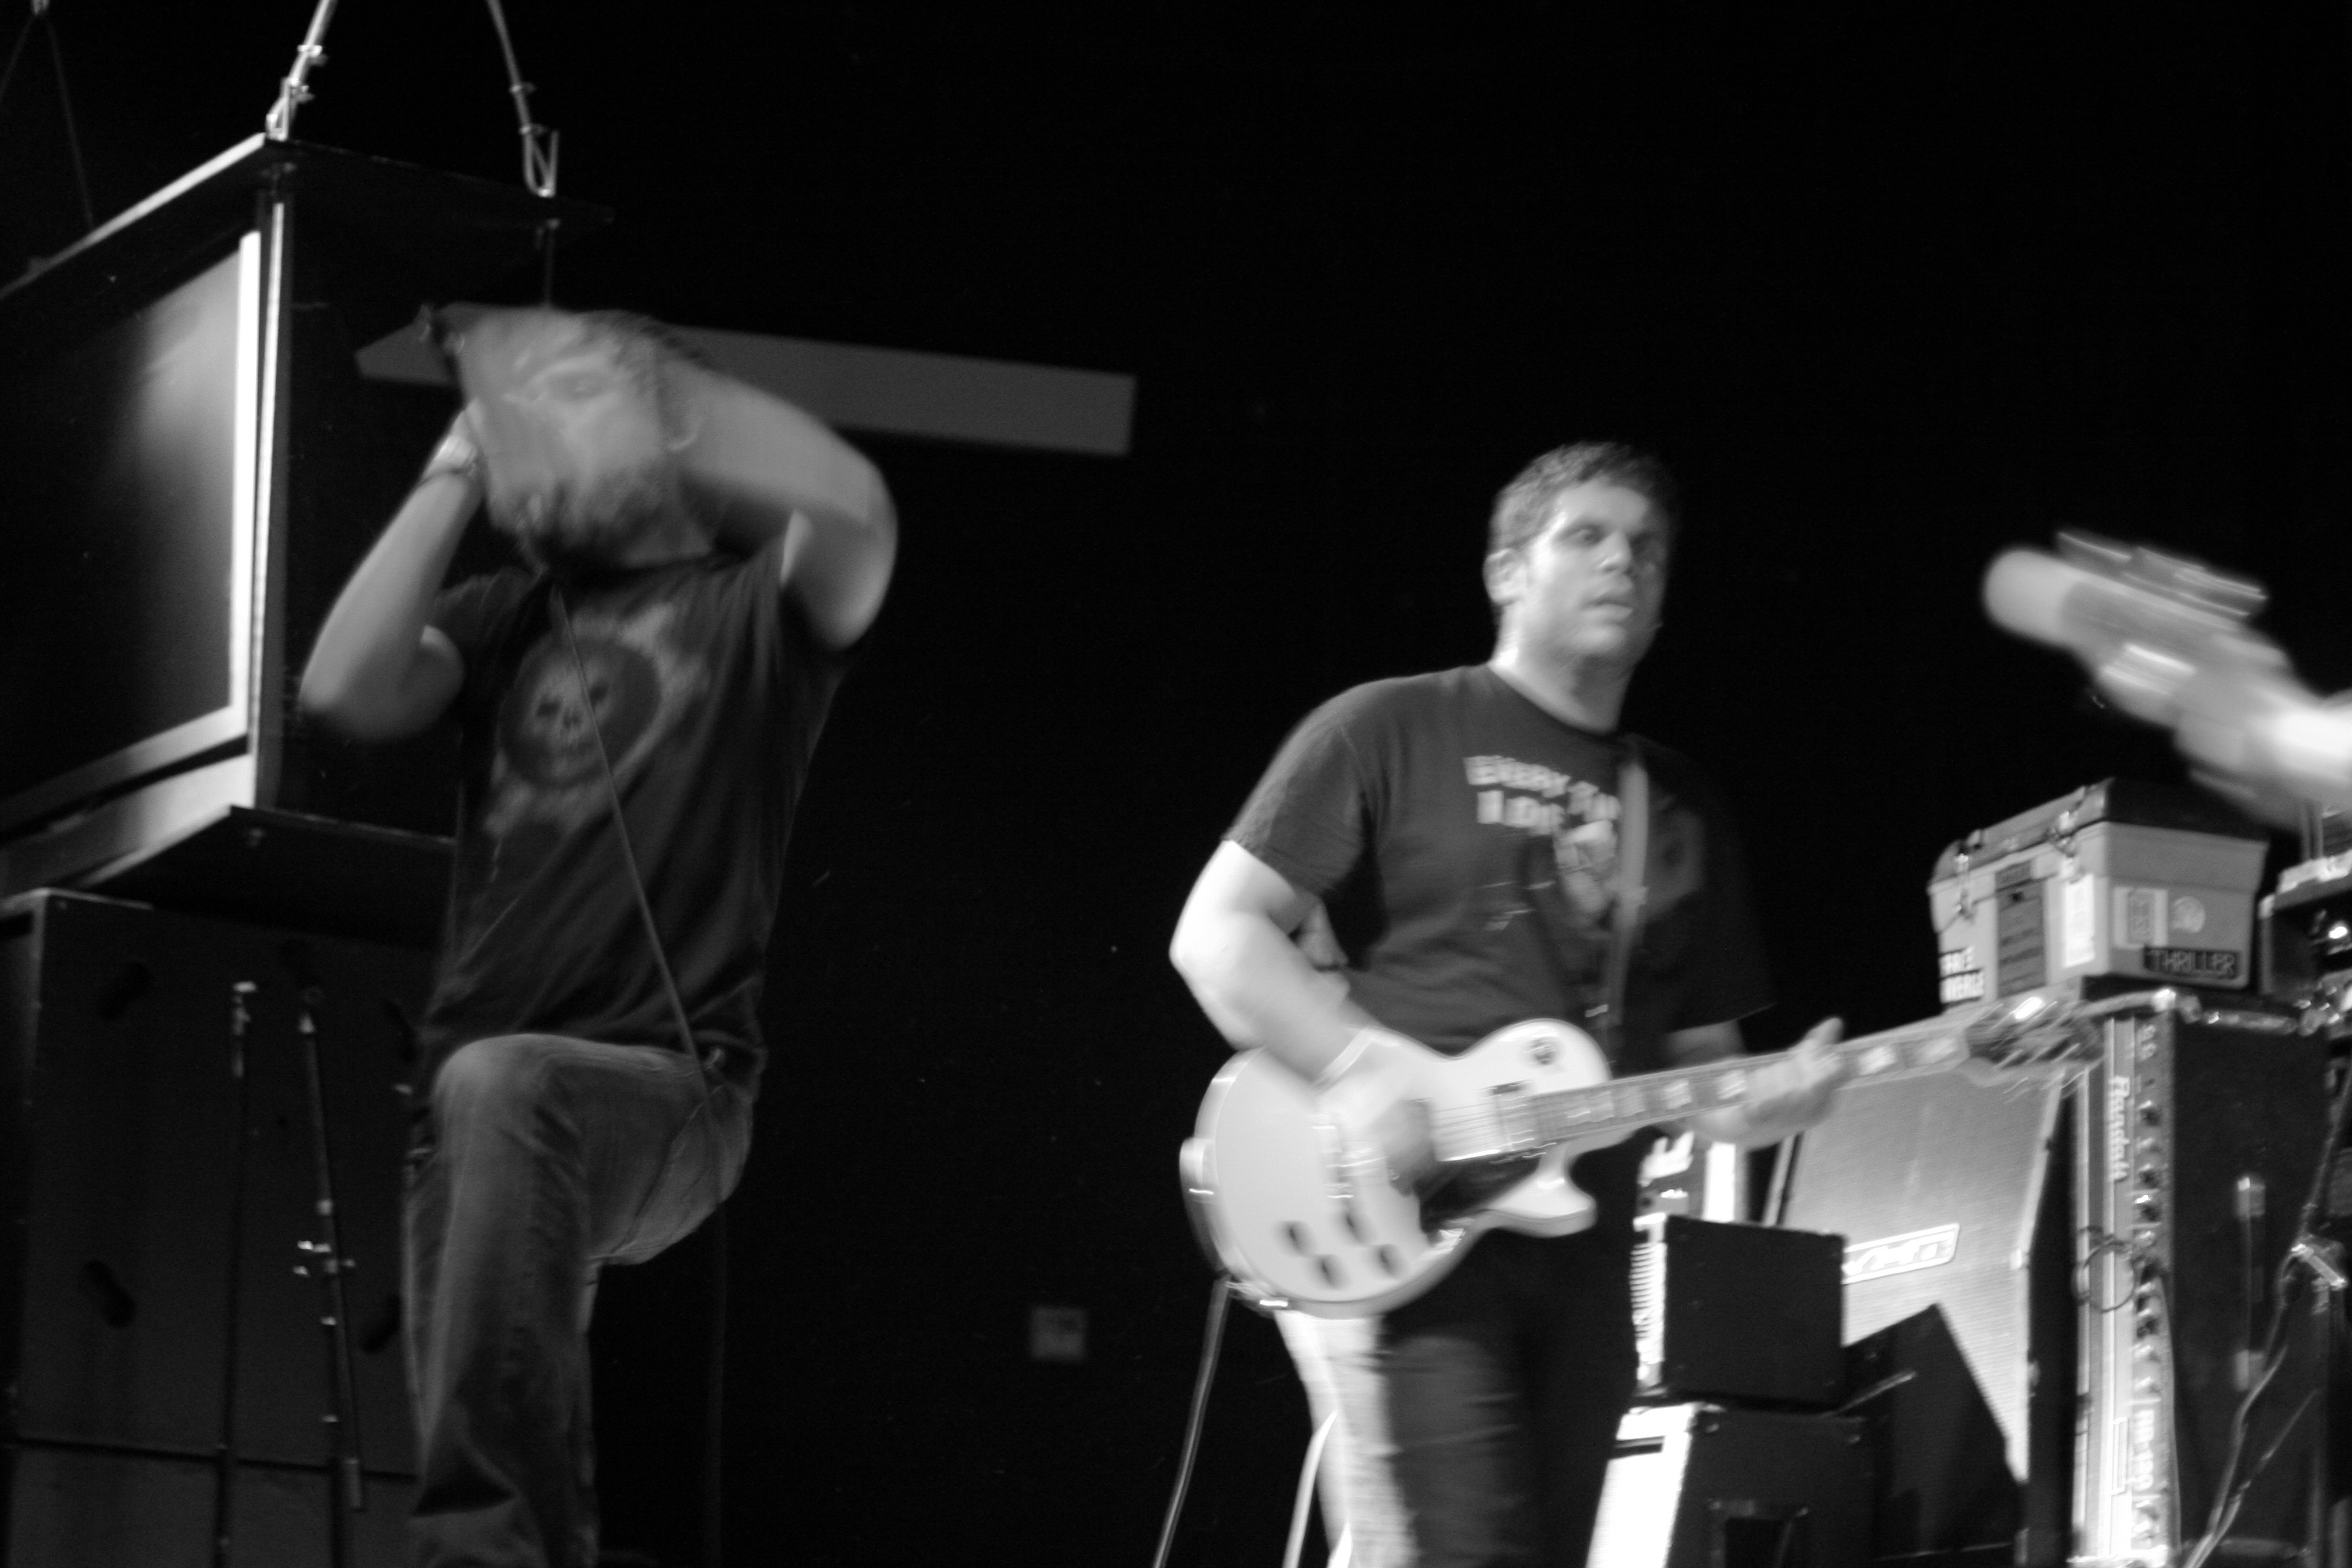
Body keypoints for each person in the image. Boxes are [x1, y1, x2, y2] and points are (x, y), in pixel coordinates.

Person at [1168, 442, 1846, 1567]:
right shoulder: (1386, 727)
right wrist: (1365, 1076)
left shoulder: (1680, 805)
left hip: (1584, 1256)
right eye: (1587, 536)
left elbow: (1703, 1068)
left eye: (1648, 549)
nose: (1624, 562)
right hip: (1411, 1227)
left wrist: (1769, 1105)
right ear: (1505, 571)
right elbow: (1219, 936)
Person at [299, 308, 896, 1567]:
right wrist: (458, 464)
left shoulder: (756, 611)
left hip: (670, 1094)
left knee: (506, 1089)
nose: (531, 425)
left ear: (672, 426)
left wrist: (644, 397)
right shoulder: (503, 617)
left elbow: (855, 508)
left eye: (568, 397)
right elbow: (345, 690)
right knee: (504, 1439)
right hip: (469, 1121)